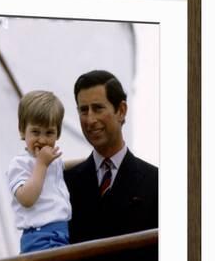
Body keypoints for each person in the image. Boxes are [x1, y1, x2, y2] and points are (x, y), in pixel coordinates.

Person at [64, 69, 158, 244]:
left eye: (98, 108)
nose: (90, 120)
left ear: (121, 111)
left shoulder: (156, 183)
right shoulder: (64, 184)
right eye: (83, 110)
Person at [6, 90, 72, 253]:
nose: (42, 140)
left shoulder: (51, 161)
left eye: (49, 133)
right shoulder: (20, 163)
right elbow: (26, 198)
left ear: (58, 134)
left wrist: (90, 161)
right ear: (22, 130)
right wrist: (41, 165)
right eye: (35, 132)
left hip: (61, 233)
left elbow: (63, 167)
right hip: (39, 237)